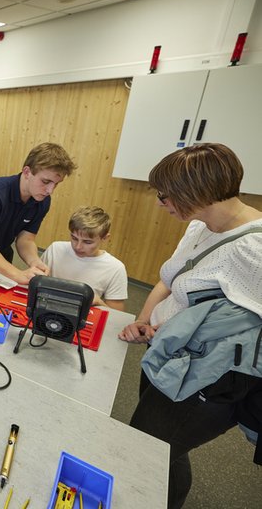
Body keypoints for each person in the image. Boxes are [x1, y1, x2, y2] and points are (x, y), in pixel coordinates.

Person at [117, 143, 262, 509]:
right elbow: (171, 278)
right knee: (164, 450)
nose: (159, 203)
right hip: (167, 353)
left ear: (195, 192)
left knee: (145, 449)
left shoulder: (255, 249)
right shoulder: (200, 226)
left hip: (205, 379)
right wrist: (144, 318)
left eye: (164, 195)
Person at [0, 142, 76, 285]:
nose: (50, 191)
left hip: (0, 258)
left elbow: (26, 239)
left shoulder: (42, 200)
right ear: (27, 172)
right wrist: (17, 274)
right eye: (46, 181)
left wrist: (34, 261)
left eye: (56, 184)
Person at [41, 206, 127, 310]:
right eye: (74, 238)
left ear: (105, 238)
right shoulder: (55, 249)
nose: (78, 247)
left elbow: (117, 314)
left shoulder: (115, 268)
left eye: (87, 242)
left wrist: (98, 302)